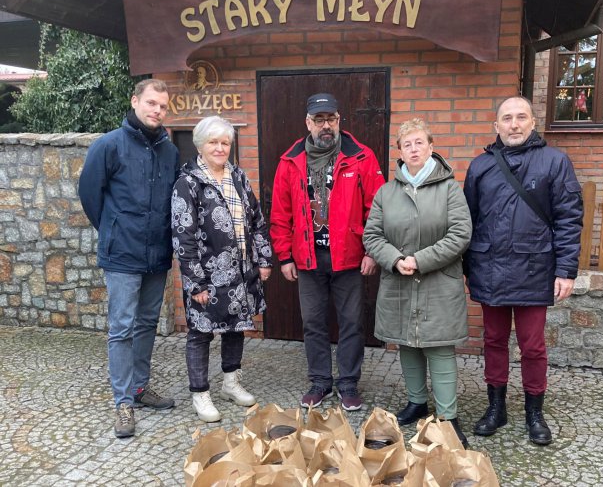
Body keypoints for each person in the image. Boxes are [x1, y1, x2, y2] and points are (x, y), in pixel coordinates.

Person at [463, 96, 583, 445]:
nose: (514, 124)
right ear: (496, 125)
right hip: (490, 269)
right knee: (494, 341)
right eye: (507, 118)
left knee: (532, 346)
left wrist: (566, 270)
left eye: (521, 117)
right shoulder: (480, 166)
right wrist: (467, 268)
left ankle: (534, 411)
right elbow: (468, 221)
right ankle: (496, 408)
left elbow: (568, 219)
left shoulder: (555, 162)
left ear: (533, 122)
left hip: (535, 267)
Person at [270, 93, 385, 411]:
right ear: (308, 123)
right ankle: (320, 381)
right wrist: (284, 256)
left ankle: (348, 383)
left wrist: (372, 251)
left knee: (351, 322)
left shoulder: (362, 157)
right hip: (308, 258)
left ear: (339, 121)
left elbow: (377, 209)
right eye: (318, 120)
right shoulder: (290, 160)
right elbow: (280, 213)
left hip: (349, 257)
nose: (325, 126)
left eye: (330, 119)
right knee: (313, 322)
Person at [78, 78, 179, 438]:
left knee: (147, 322)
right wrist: (113, 229)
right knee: (121, 327)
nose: (157, 110)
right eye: (151, 103)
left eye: (163, 106)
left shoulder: (170, 151)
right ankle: (123, 401)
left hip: (157, 254)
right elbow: (90, 196)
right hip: (122, 254)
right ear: (135, 101)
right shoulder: (108, 145)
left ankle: (139, 387)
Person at [363, 118, 472, 447]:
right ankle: (417, 402)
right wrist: (396, 260)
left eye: (419, 142)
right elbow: (372, 235)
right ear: (400, 150)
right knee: (407, 344)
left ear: (431, 147)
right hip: (399, 281)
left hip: (439, 281)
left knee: (439, 347)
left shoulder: (450, 188)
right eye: (406, 144)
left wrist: (420, 260)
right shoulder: (387, 191)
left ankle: (448, 418)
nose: (413, 149)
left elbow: (460, 233)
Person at [171, 116, 272, 422]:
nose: (219, 148)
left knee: (236, 327)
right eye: (213, 142)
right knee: (200, 334)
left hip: (241, 271)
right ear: (200, 145)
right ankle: (200, 394)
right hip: (206, 276)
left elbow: (257, 220)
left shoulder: (238, 177)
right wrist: (195, 283)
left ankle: (230, 382)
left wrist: (264, 259)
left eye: (224, 142)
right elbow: (182, 237)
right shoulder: (187, 183)